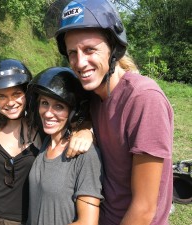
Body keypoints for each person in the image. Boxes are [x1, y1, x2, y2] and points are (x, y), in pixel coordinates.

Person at [45, 0, 174, 224]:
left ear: (113, 49)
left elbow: (144, 208)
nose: (80, 62)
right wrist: (87, 128)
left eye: (89, 50)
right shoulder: (93, 95)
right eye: (72, 53)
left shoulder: (144, 99)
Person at [0, 59, 93, 224]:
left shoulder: (43, 128)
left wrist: (86, 131)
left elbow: (75, 120)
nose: (10, 102)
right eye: (2, 96)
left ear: (27, 95)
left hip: (19, 219)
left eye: (16, 94)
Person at [26, 67, 103, 225]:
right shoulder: (46, 141)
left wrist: (86, 130)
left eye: (59, 106)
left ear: (74, 112)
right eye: (44, 103)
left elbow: (88, 222)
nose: (48, 113)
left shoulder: (85, 155)